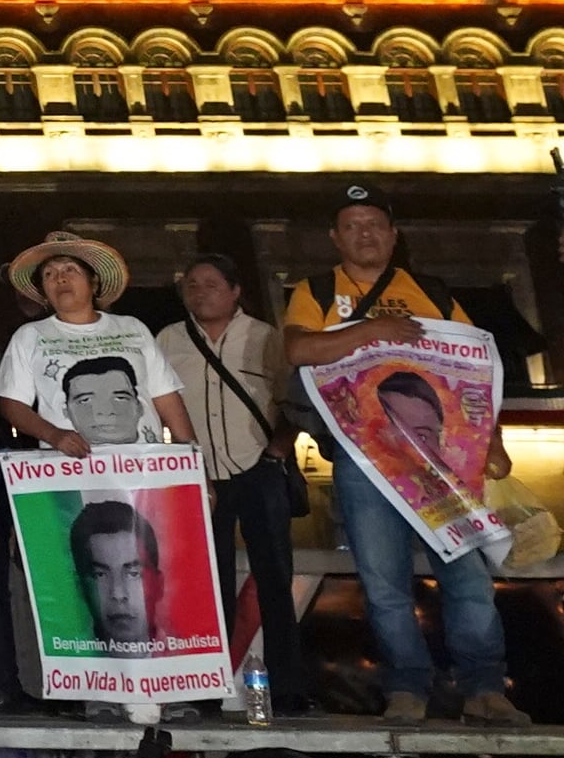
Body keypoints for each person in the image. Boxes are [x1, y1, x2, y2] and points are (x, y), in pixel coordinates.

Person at [282, 182, 524, 728]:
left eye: (374, 224)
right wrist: (373, 330)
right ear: (334, 238)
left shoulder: (433, 292)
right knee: (383, 583)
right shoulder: (317, 290)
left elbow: (476, 374)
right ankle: (407, 687)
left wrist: (494, 441)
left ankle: (485, 686)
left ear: (393, 236)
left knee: (467, 575)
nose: (365, 233)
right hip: (363, 460)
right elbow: (298, 349)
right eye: (352, 225)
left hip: (442, 461)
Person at [155, 252, 304, 717]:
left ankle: (291, 689)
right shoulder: (167, 341)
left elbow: (296, 400)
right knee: (205, 584)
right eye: (192, 286)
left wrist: (277, 451)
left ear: (236, 290)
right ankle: (204, 688)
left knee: (275, 580)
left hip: (258, 468)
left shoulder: (266, 338)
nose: (200, 292)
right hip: (198, 474)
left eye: (212, 284)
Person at [0, 231, 195, 455]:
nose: (59, 278)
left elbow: (167, 399)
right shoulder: (29, 336)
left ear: (94, 281)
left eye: (70, 269)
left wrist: (197, 468)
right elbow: (12, 403)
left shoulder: (132, 328)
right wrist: (54, 435)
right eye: (49, 274)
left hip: (144, 469)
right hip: (69, 471)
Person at [67, 501, 162, 645]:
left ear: (159, 585)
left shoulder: (191, 654)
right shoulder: (68, 655)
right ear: (80, 588)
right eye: (100, 575)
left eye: (133, 574)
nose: (118, 594)